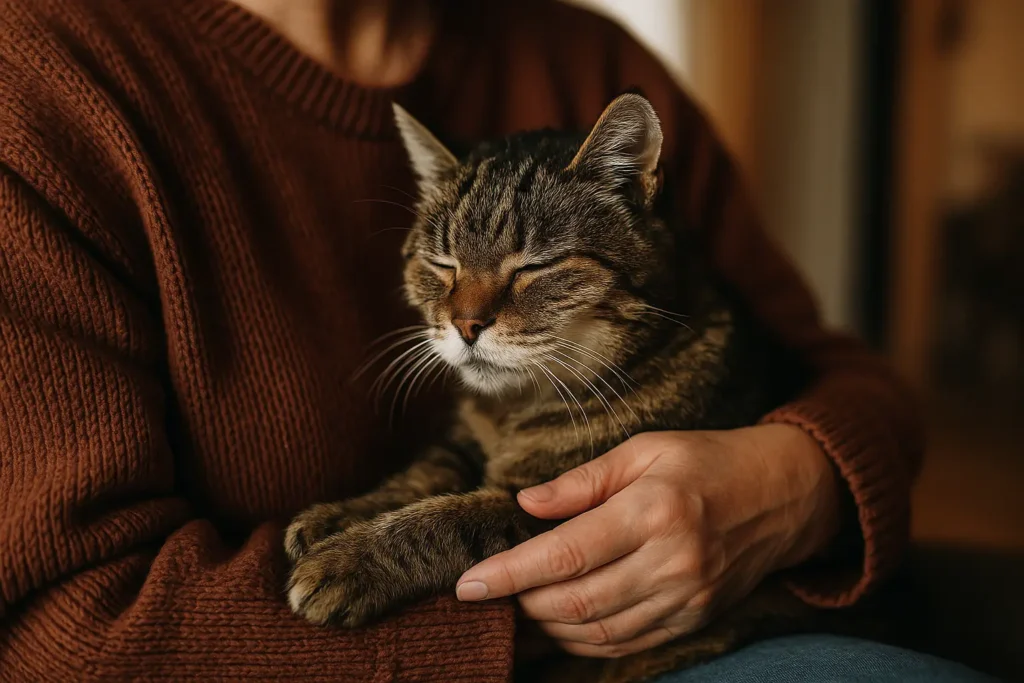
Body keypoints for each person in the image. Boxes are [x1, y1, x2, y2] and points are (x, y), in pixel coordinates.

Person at [0, 0, 995, 680]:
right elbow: (70, 636)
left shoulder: (589, 61)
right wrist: (516, 595)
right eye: (442, 276)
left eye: (521, 277)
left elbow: (849, 380)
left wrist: (801, 477)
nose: (466, 316)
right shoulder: (44, 80)